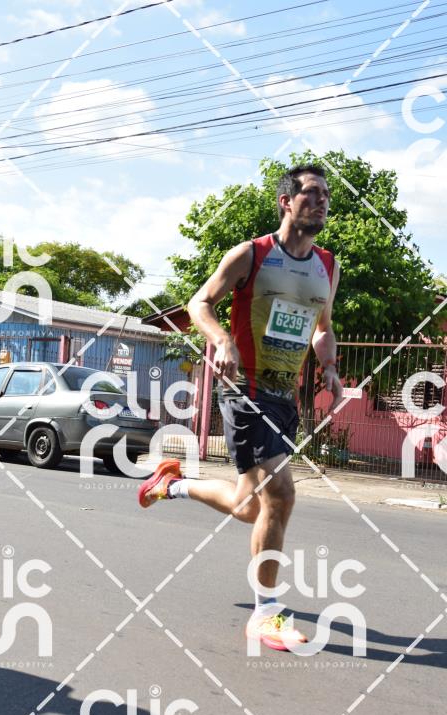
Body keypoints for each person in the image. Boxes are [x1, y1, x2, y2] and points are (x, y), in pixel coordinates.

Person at [138, 164, 342, 650]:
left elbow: (323, 326)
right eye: (311, 193)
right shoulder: (252, 254)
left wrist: (330, 366)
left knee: (250, 507)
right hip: (245, 390)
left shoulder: (328, 266)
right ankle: (266, 613)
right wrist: (223, 340)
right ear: (286, 202)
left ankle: (171, 484)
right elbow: (199, 303)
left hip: (284, 396)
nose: (321, 202)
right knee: (281, 496)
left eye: (326, 196)